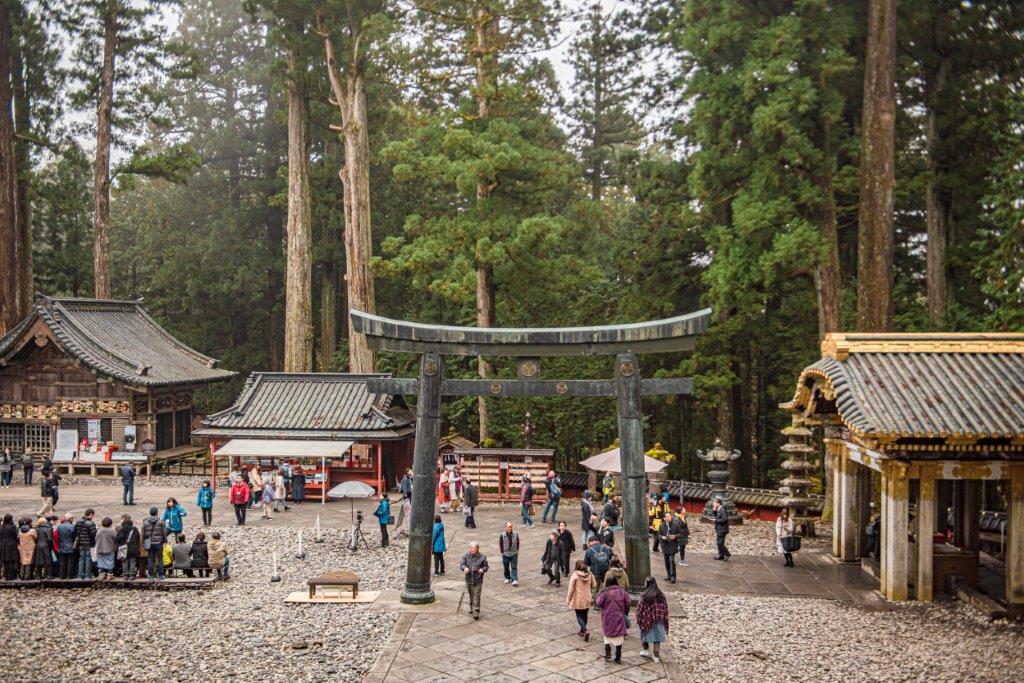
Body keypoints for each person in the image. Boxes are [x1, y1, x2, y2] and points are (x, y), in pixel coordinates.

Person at [595, 576, 631, 663]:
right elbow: (628, 602)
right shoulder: (622, 592)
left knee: (607, 635)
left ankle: (608, 654)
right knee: (619, 636)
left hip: (607, 617)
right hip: (619, 616)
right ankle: (618, 656)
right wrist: (625, 612)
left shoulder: (605, 593)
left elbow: (599, 603)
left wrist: (599, 595)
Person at [636, 577, 669, 663]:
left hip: (647, 618)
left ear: (647, 584)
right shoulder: (661, 595)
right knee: (657, 638)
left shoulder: (644, 595)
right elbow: (665, 608)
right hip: (659, 620)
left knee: (644, 633)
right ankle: (656, 656)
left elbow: (640, 609)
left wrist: (639, 618)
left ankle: (645, 650)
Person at [566, 559, 596, 641]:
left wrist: (568, 599)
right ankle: (582, 631)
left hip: (578, 599)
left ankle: (585, 631)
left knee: (579, 615)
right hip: (587, 598)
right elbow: (594, 585)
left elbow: (571, 589)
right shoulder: (589, 574)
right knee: (585, 615)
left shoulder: (575, 575)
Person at [459, 541, 488, 620]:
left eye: (474, 548)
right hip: (469, 579)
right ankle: (472, 607)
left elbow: (486, 566)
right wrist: (464, 568)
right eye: (471, 548)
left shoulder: (482, 557)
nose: (472, 549)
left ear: (477, 549)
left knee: (477, 596)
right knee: (471, 595)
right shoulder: (465, 556)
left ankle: (476, 611)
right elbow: (461, 564)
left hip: (478, 579)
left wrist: (482, 569)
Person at [658, 510, 684, 584]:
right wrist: (662, 537)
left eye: (670, 516)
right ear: (664, 518)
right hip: (665, 545)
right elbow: (658, 535)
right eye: (667, 516)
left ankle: (673, 577)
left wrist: (675, 536)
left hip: (673, 545)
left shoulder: (676, 524)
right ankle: (668, 575)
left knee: (671, 560)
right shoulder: (662, 525)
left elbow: (680, 533)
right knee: (666, 561)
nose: (669, 517)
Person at [142, 506, 167, 579]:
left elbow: (143, 532)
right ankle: (161, 575)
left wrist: (144, 541)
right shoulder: (161, 521)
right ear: (156, 512)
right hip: (159, 542)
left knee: (150, 559)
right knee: (160, 559)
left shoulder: (146, 521)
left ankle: (151, 575)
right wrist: (165, 541)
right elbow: (164, 532)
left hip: (150, 543)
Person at [73, 509, 97, 579]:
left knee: (81, 559)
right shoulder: (91, 523)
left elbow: (75, 532)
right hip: (88, 544)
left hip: (80, 544)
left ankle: (80, 575)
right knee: (88, 559)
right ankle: (87, 575)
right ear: (91, 514)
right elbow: (93, 534)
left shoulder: (78, 522)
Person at [115, 515, 140, 580]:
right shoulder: (135, 529)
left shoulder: (121, 530)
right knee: (132, 562)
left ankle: (125, 575)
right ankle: (132, 575)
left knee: (124, 562)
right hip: (133, 548)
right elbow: (138, 537)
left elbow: (117, 540)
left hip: (123, 548)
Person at [499, 521, 520, 587]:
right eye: (508, 527)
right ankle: (507, 577)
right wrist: (502, 552)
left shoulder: (515, 534)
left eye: (511, 527)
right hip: (506, 554)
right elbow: (501, 543)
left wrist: (517, 550)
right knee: (506, 567)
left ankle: (514, 579)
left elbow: (518, 542)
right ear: (505, 528)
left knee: (514, 567)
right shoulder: (502, 535)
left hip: (514, 553)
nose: (510, 528)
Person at [56, 515, 75, 579]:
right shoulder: (72, 526)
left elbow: (58, 535)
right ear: (70, 519)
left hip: (62, 546)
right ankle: (69, 576)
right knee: (70, 562)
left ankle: (62, 576)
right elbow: (74, 536)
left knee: (62, 562)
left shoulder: (59, 526)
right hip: (70, 546)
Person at [0, 514, 18, 579]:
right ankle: (11, 576)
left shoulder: (2, 527)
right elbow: (15, 536)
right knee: (11, 561)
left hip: (3, 545)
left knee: (5, 561)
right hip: (11, 545)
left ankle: (6, 575)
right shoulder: (12, 526)